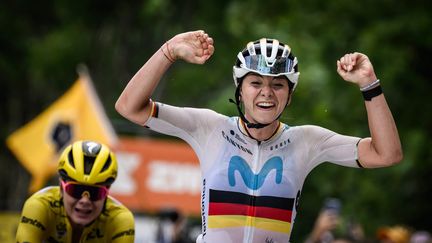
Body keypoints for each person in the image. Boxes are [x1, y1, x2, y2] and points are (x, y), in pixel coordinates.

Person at [115, 30, 403, 243]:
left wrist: (369, 84)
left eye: (278, 84)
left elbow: (387, 154)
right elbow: (129, 107)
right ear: (240, 90)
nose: (266, 92)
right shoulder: (209, 127)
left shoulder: (306, 141)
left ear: (289, 97)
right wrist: (168, 51)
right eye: (255, 82)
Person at [15, 140, 135, 242]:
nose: (85, 200)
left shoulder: (120, 219)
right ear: (61, 188)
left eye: (95, 193)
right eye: (76, 190)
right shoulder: (40, 206)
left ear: (106, 193)